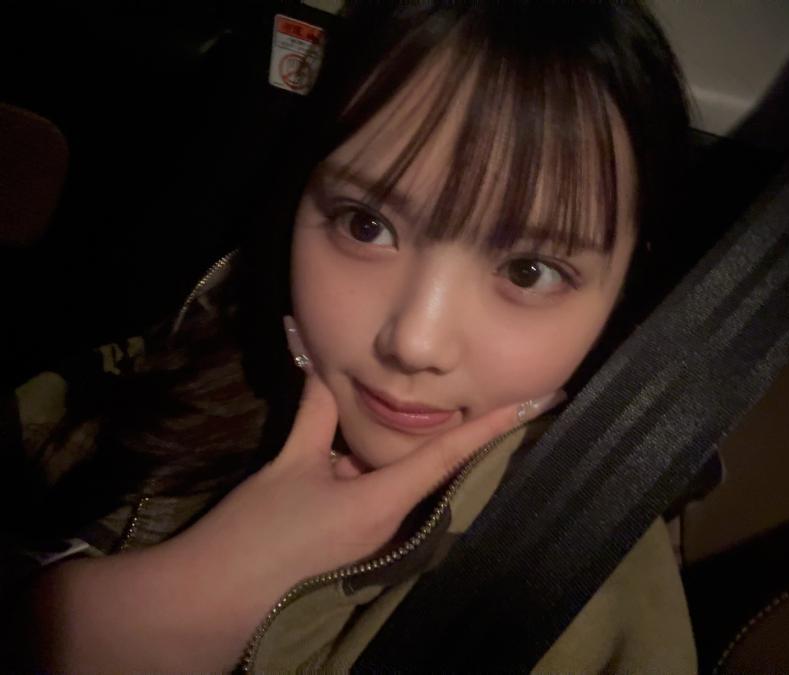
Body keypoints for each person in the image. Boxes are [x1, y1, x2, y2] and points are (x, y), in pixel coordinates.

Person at [10, 1, 693, 671]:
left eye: (529, 270)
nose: (415, 343)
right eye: (366, 225)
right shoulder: (211, 331)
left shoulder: (583, 588)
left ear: (622, 289)